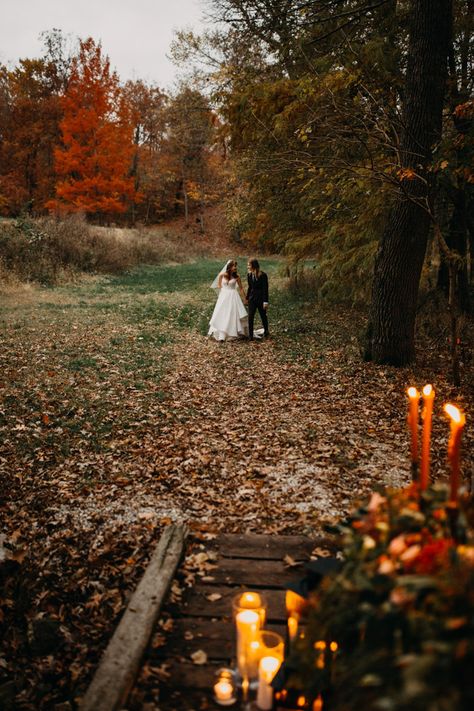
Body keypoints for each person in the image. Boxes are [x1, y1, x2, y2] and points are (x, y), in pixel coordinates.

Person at [208, 260, 249, 341]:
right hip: (224, 297)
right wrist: (224, 292)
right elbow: (219, 286)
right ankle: (222, 334)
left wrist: (245, 298)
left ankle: (233, 332)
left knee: (232, 313)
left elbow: (241, 288)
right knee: (223, 314)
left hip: (233, 296)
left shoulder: (237, 277)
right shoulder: (222, 275)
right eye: (234, 266)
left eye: (236, 266)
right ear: (229, 267)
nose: (235, 268)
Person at [246, 258, 269, 340]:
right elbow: (250, 287)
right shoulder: (249, 275)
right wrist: (247, 298)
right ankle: (250, 335)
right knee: (250, 316)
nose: (248, 266)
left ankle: (266, 331)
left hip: (261, 299)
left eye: (249, 265)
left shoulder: (263, 275)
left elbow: (265, 289)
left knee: (263, 315)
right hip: (252, 299)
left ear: (253, 265)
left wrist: (265, 301)